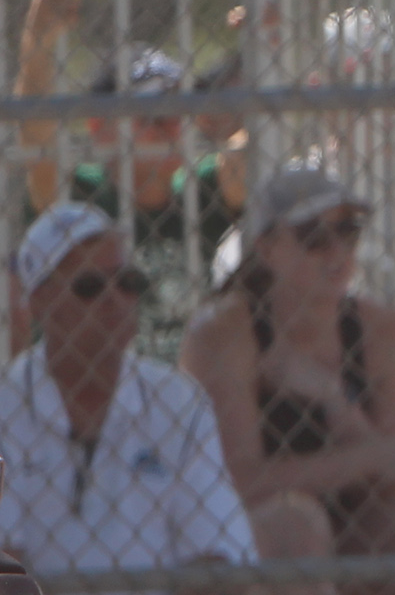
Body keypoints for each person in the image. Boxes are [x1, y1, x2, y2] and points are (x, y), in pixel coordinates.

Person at [178, 168, 395, 595]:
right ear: (269, 248)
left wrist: (334, 400)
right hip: (252, 532)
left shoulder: (385, 333)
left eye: (347, 230)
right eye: (313, 236)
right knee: (296, 522)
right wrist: (367, 458)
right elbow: (238, 482)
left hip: (353, 517)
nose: (336, 251)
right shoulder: (223, 336)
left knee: (383, 525)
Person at [0, 203, 255, 590]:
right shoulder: (7, 406)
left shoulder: (178, 402)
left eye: (126, 282)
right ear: (40, 302)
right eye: (90, 286)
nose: (115, 299)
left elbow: (217, 555)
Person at [12, 0, 245, 360]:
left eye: (176, 113)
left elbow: (254, 156)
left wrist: (262, 51)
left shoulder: (201, 192)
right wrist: (39, 44)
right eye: (150, 116)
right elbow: (37, 138)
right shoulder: (79, 196)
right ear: (99, 126)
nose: (169, 127)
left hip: (182, 400)